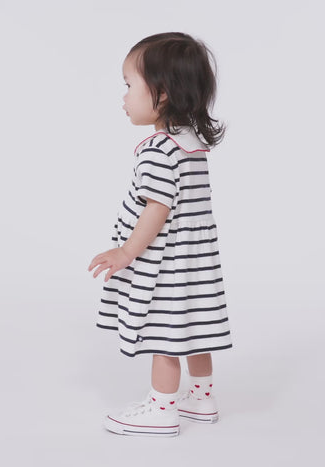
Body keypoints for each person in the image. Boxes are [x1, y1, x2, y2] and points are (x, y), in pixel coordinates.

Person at [87, 32, 232, 437]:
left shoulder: (157, 149)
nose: (124, 97)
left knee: (162, 336)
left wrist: (127, 251)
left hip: (166, 264)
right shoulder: (192, 144)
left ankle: (161, 409)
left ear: (162, 92)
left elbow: (157, 206)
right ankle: (202, 399)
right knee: (193, 329)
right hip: (195, 264)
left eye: (129, 85)